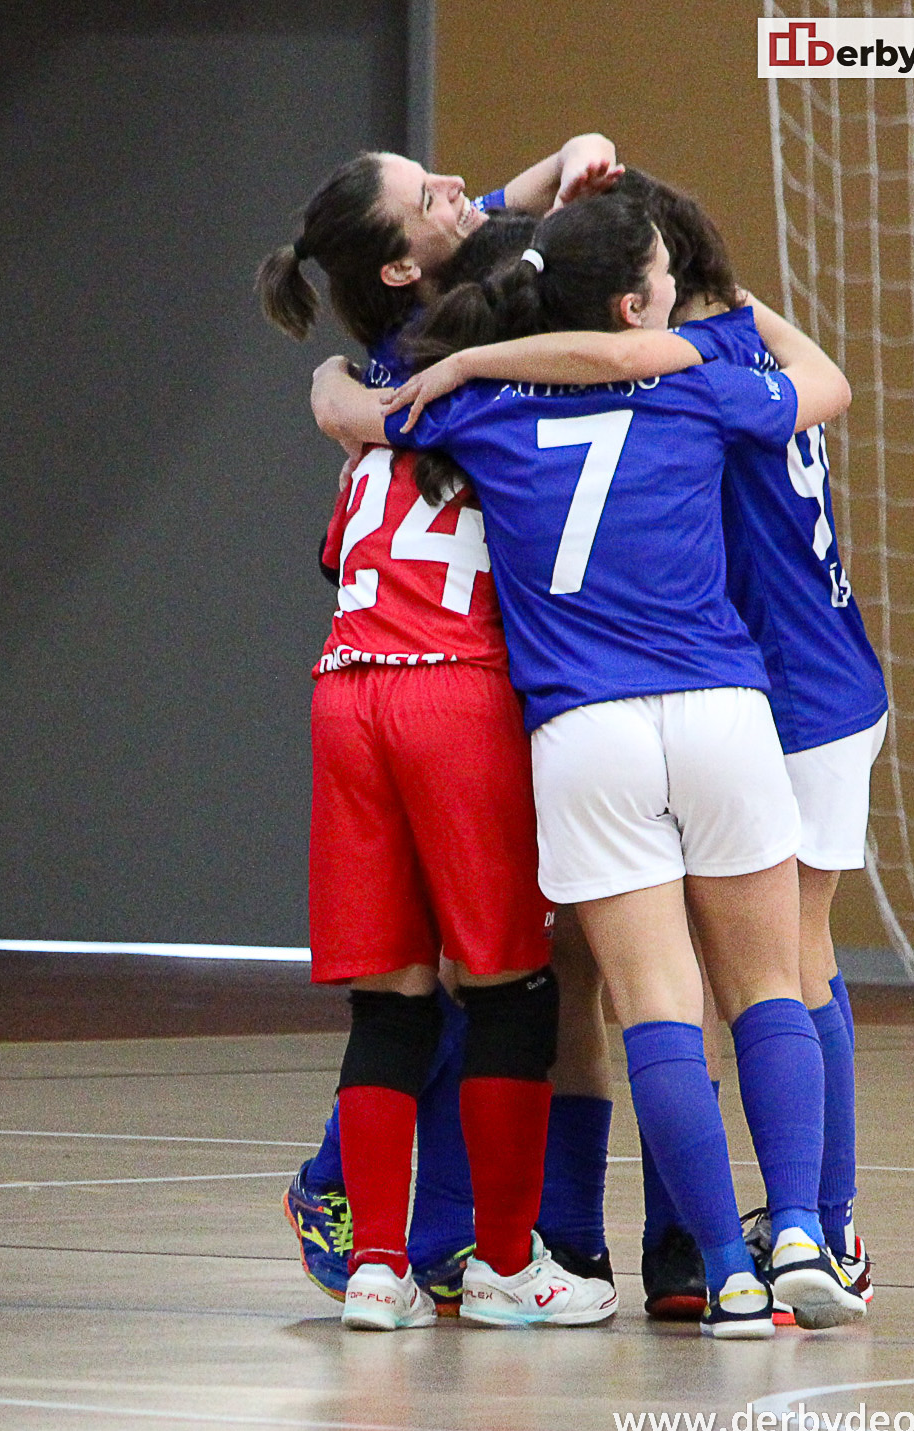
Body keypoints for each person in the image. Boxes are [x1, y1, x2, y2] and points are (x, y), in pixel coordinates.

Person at [312, 192, 861, 1338]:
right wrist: (730, 315)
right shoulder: (699, 382)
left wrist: (460, 371)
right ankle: (802, 1226)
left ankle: (725, 1270)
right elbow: (823, 384)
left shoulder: (481, 410)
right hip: (719, 708)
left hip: (581, 730)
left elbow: (347, 408)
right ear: (635, 305)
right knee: (758, 989)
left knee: (649, 1005)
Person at [261, 156, 625, 1332]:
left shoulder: (379, 375)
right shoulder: (501, 378)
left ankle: (377, 1263)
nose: (463, 188)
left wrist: (333, 383)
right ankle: (508, 1261)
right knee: (513, 984)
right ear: (408, 264)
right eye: (431, 194)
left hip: (343, 685)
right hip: (450, 691)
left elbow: (345, 380)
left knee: (392, 996)